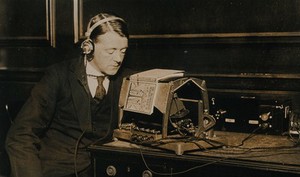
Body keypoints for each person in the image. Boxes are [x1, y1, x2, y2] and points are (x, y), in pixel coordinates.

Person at [5, 12, 133, 177]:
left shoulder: (128, 79)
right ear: (88, 47)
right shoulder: (58, 76)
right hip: (57, 170)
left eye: (123, 51)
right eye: (111, 51)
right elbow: (20, 136)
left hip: (102, 169)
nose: (118, 58)